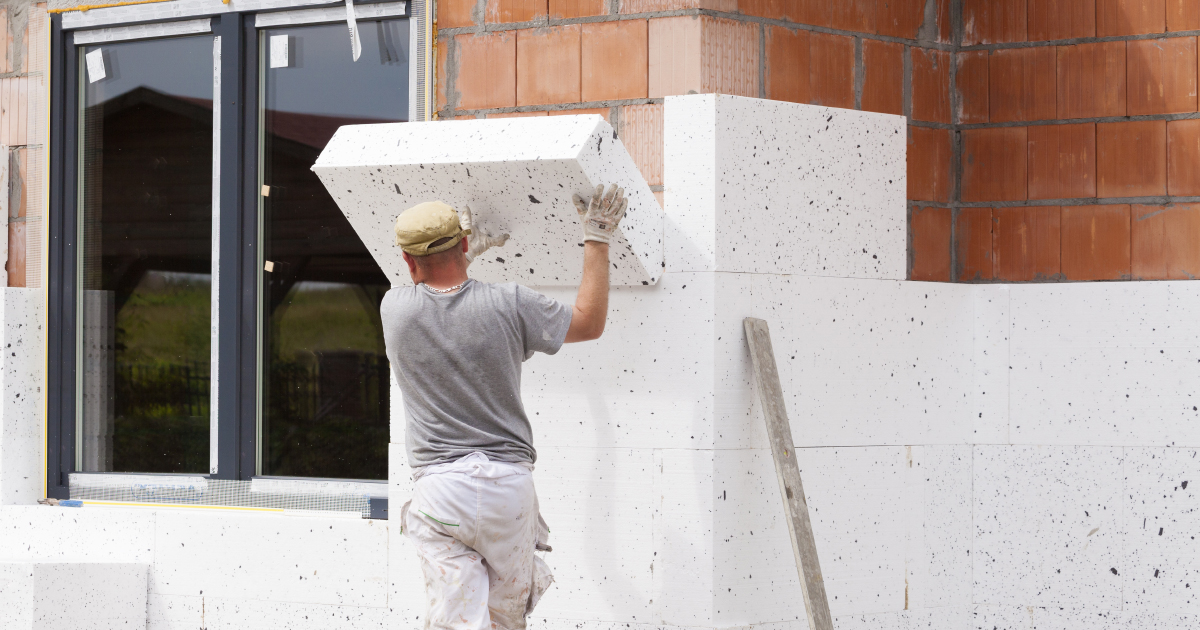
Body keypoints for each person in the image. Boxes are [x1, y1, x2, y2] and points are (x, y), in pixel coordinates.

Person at [382, 184, 629, 629]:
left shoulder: (394, 309)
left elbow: (438, 292)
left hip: (442, 494)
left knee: (455, 621)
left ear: (406, 261)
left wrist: (463, 255)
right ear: (461, 243)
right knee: (506, 621)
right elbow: (589, 323)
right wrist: (597, 236)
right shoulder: (510, 304)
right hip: (509, 493)